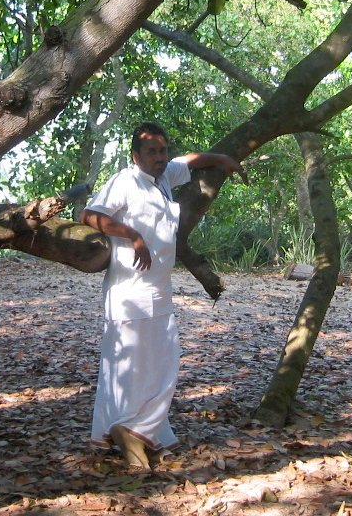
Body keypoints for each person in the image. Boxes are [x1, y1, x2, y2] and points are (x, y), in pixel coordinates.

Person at [81, 122, 248, 470]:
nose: (160, 156)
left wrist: (222, 159)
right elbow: (90, 214)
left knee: (160, 363)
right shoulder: (124, 182)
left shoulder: (163, 175)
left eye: (163, 149)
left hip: (159, 291)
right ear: (135, 156)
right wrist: (133, 236)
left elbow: (189, 161)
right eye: (152, 151)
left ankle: (143, 432)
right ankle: (128, 433)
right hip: (128, 292)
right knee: (128, 366)